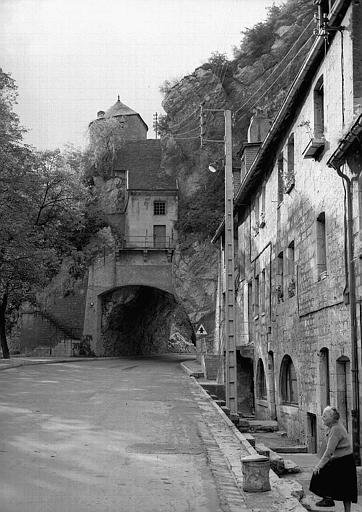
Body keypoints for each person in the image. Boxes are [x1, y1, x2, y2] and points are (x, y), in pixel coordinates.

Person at [309, 406, 357, 511]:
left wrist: (318, 466)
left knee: (320, 473)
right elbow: (326, 448)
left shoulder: (336, 429)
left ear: (332, 418)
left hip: (344, 461)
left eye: (325, 416)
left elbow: (329, 451)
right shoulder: (333, 427)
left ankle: (328, 498)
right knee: (345, 489)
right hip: (343, 459)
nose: (322, 418)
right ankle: (329, 498)